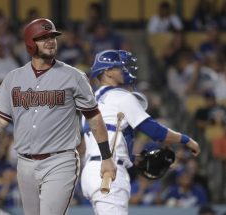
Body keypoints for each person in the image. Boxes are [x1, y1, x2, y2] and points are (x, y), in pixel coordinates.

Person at [0, 18, 117, 215]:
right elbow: (0, 119)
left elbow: (94, 117)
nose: (51, 41)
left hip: (60, 160)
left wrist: (106, 157)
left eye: (53, 37)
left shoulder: (74, 76)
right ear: (31, 43)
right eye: (43, 38)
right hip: (25, 163)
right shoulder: (14, 78)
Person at [80, 49, 201, 215]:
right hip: (109, 172)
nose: (124, 70)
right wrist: (186, 140)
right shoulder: (120, 96)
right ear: (107, 72)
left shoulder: (93, 99)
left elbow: (106, 137)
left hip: (92, 171)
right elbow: (156, 131)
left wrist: (131, 157)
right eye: (119, 67)